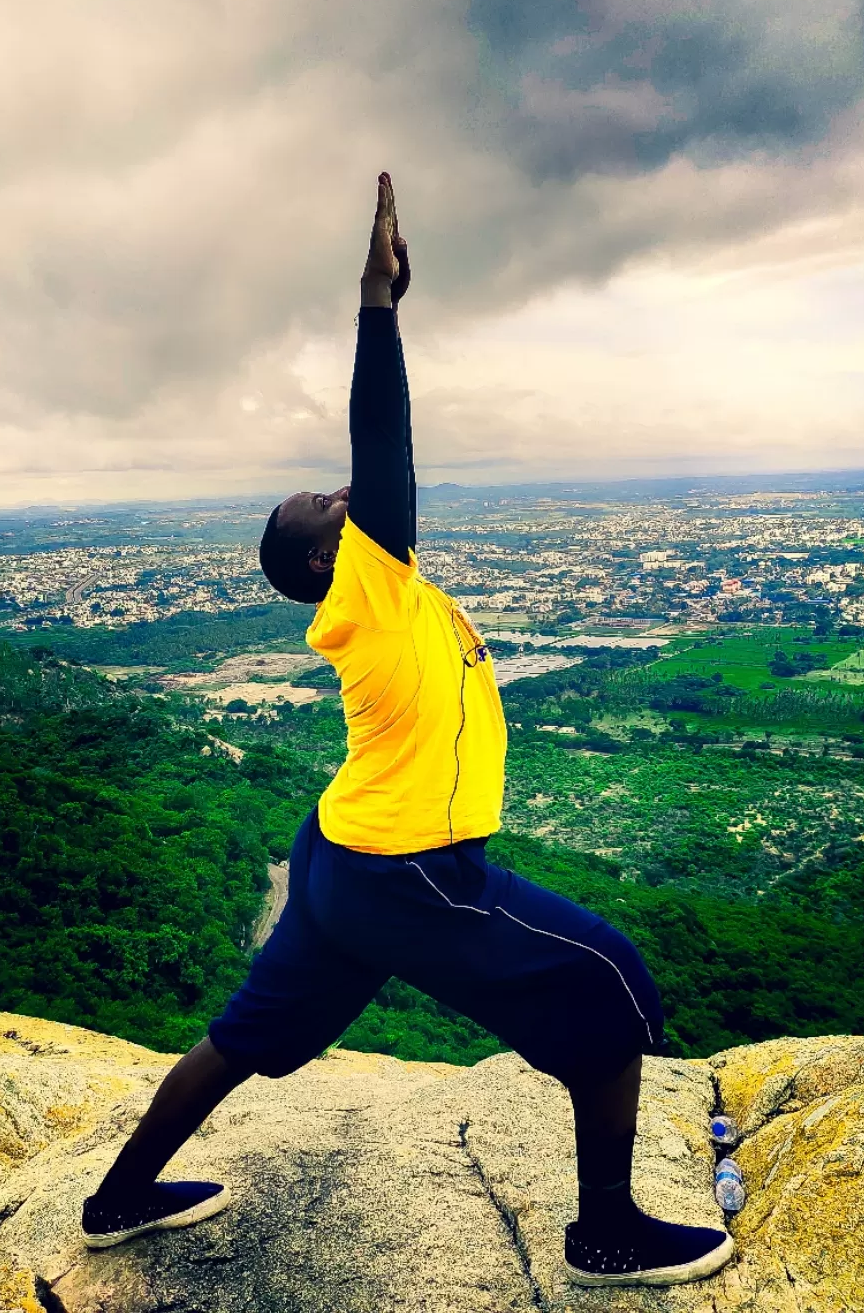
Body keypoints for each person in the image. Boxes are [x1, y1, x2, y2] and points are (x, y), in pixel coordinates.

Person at [80, 174, 735, 1290]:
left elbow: (375, 482)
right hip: (403, 873)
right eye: (327, 507)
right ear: (327, 558)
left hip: (342, 853)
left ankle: (119, 1198)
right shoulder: (369, 587)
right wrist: (378, 306)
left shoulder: (384, 589)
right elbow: (383, 442)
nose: (345, 495)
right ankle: (607, 1234)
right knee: (613, 987)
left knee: (246, 1038)